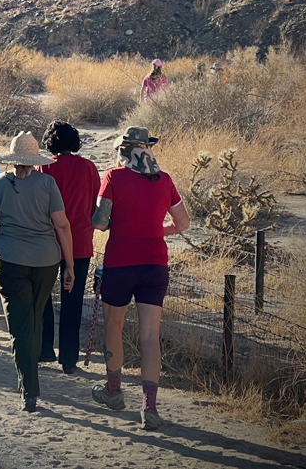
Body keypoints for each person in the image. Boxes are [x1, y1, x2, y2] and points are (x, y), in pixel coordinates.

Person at [90, 126, 191, 431]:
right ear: (147, 149)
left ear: (122, 150)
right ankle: (150, 407)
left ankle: (114, 391)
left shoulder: (114, 177)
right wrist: (157, 231)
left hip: (121, 262)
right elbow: (183, 223)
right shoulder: (165, 180)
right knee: (149, 336)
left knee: (114, 326)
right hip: (155, 264)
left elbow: (101, 223)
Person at [0, 132, 75, 412]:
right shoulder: (47, 183)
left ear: (13, 159)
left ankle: (28, 389)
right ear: (34, 160)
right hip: (46, 261)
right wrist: (69, 263)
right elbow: (63, 225)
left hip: (10, 260)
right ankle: (30, 380)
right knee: (35, 316)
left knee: (20, 325)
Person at [37, 121, 101, 372]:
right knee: (72, 301)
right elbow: (96, 206)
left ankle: (44, 349)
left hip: (48, 241)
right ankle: (69, 359)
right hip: (80, 243)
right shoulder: (88, 167)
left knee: (42, 297)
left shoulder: (45, 167)